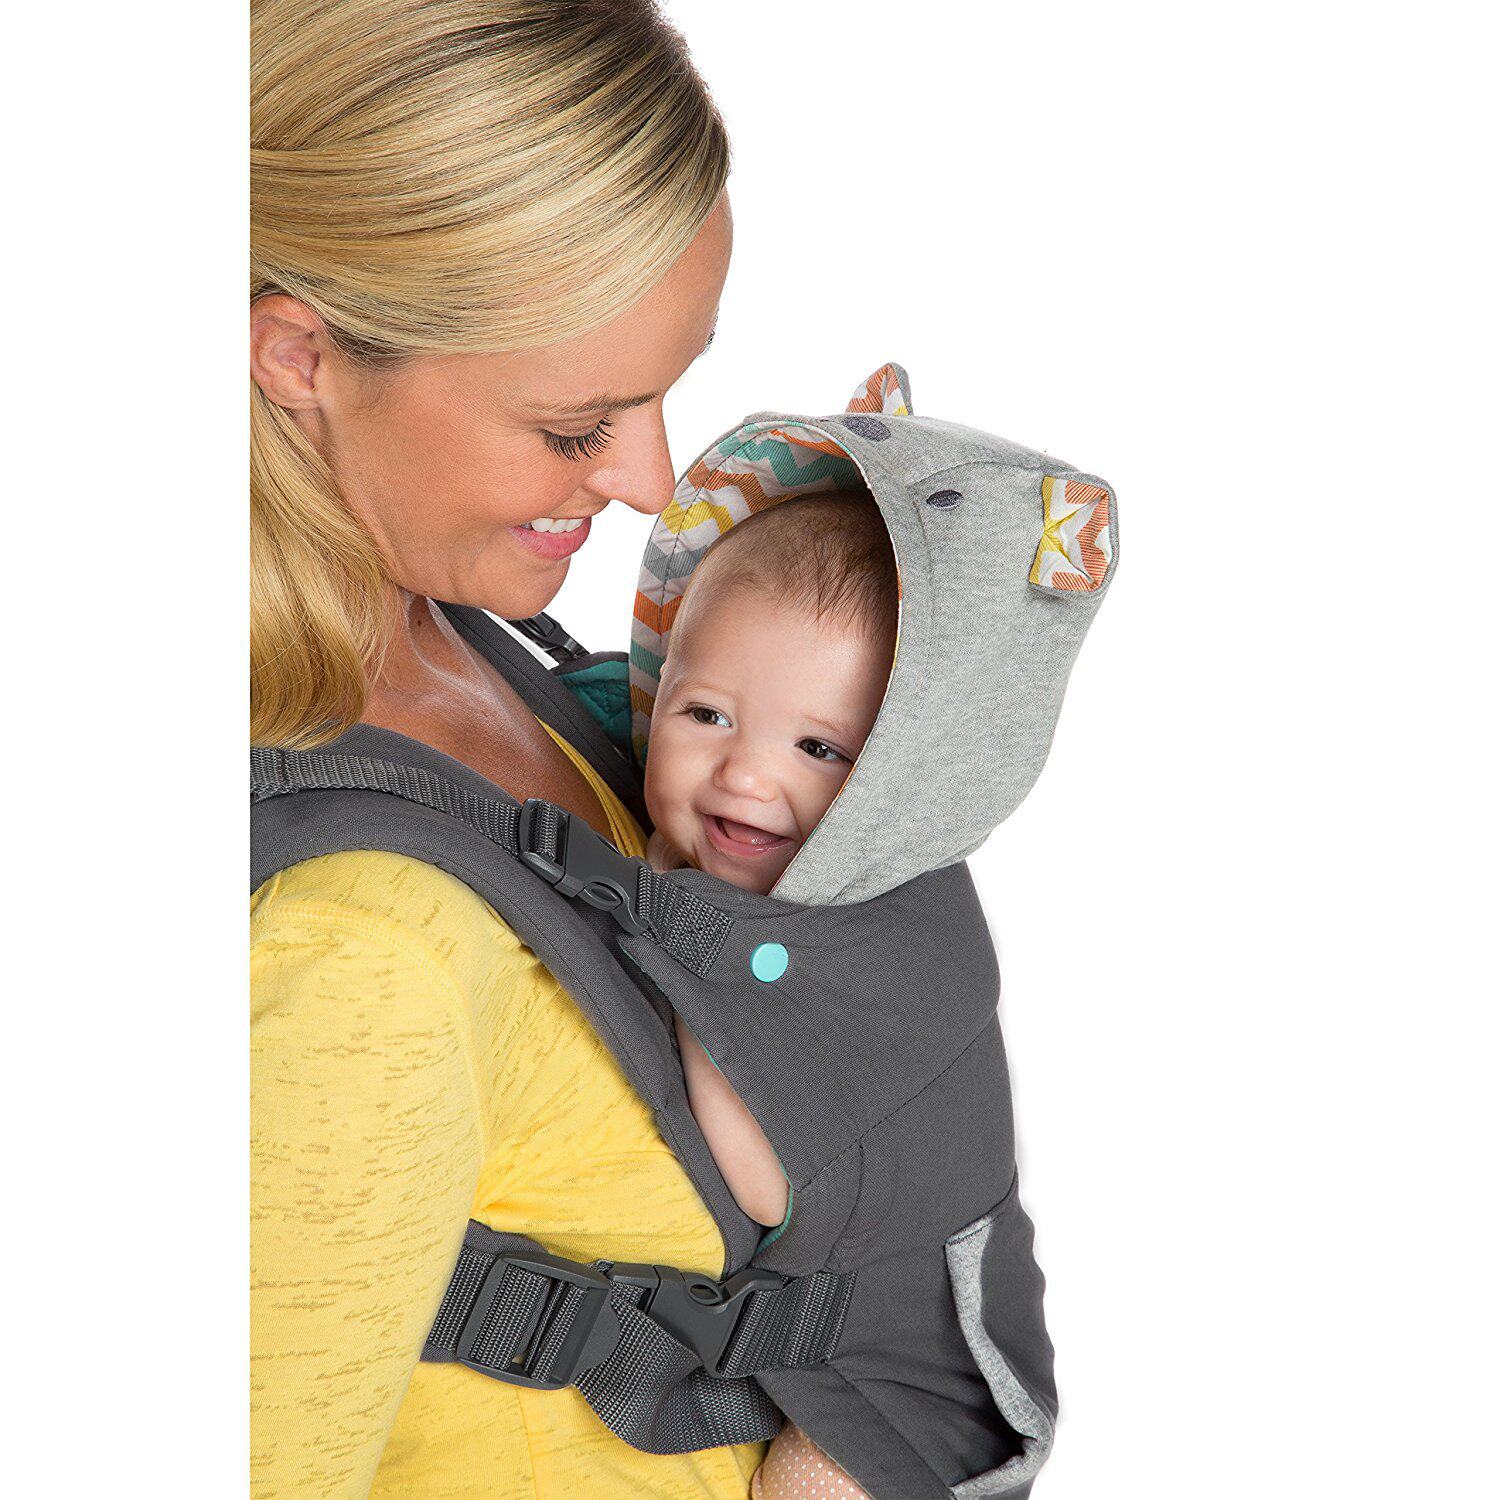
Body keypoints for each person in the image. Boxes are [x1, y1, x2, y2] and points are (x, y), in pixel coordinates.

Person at [249, 3, 759, 1495]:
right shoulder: (361, 943)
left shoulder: (460, 635)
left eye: (664, 388)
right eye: (577, 424)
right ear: (297, 355)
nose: (652, 479)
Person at [642, 490, 896, 1500]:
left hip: (897, 1377)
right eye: (707, 715)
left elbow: (766, 1190)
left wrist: (684, 974)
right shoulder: (667, 857)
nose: (747, 776)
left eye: (818, 748)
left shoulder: (864, 935)